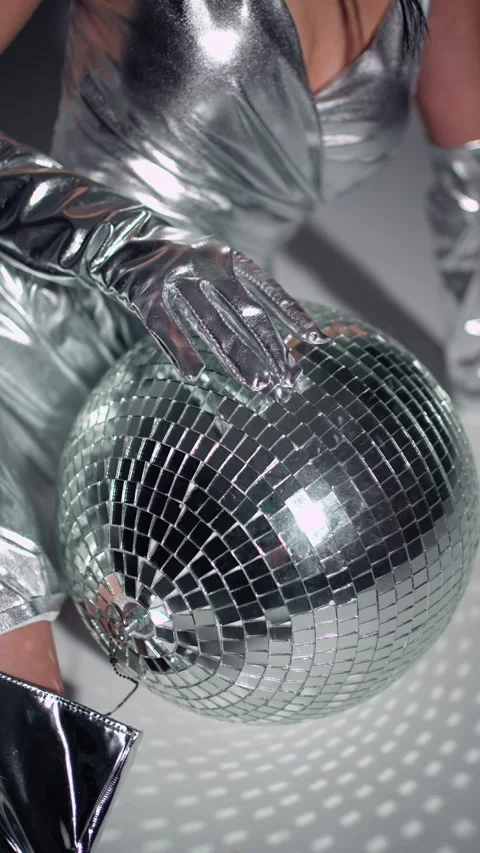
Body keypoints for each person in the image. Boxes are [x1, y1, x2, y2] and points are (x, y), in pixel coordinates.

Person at [0, 0, 478, 847]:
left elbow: (476, 185)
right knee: (29, 741)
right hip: (27, 311)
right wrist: (120, 244)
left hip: (191, 399)